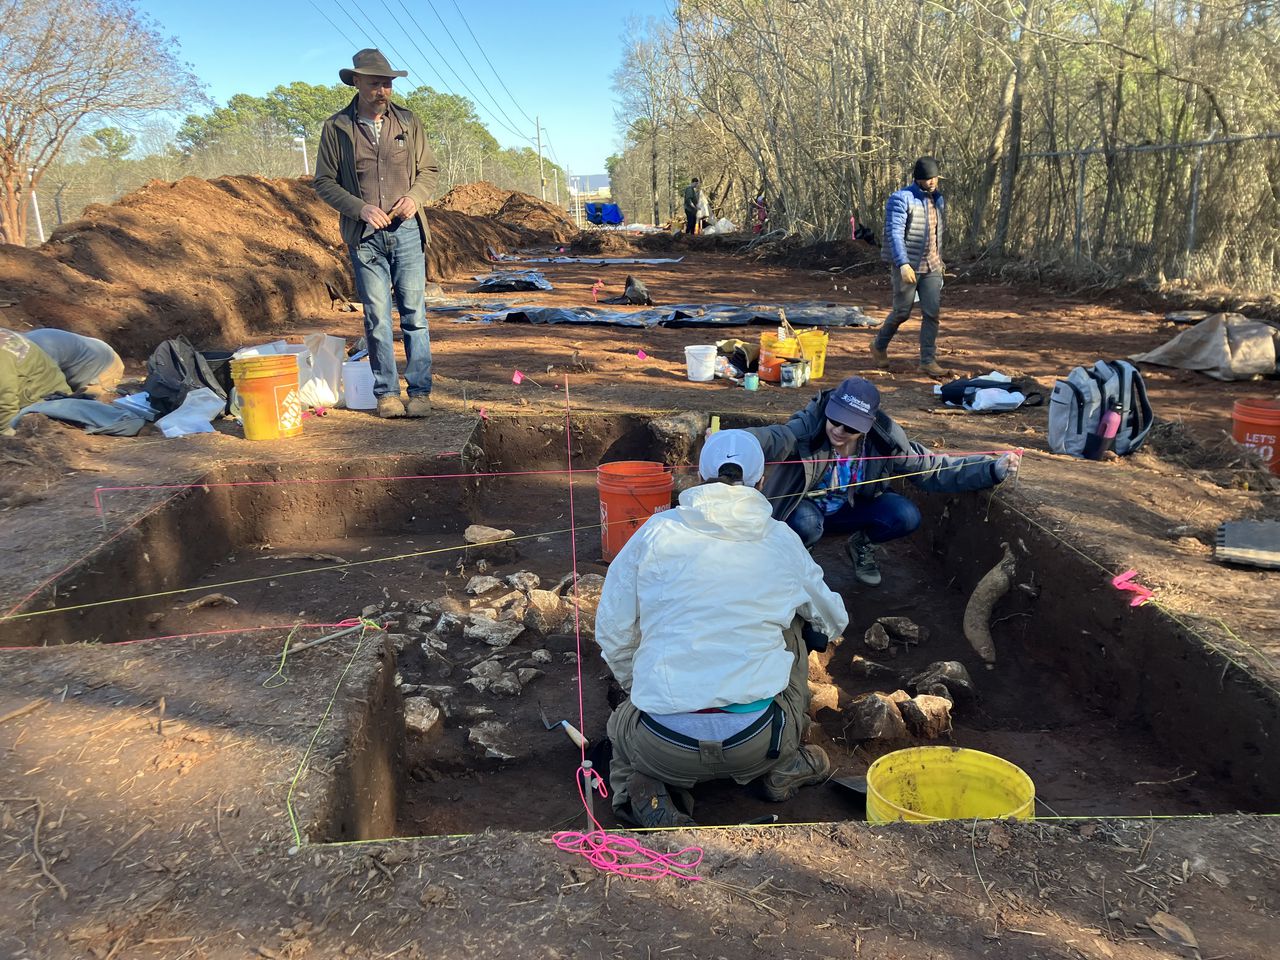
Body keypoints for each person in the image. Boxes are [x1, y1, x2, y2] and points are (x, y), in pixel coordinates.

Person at [595, 430, 849, 828]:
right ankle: (784, 767)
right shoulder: (782, 540)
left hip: (664, 745)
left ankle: (644, 795)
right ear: (761, 482)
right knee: (797, 622)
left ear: (699, 477)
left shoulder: (655, 533)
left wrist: (637, 686)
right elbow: (833, 619)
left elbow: (612, 630)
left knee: (621, 731)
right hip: (758, 742)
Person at [744, 376, 1021, 587]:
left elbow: (932, 468)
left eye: (851, 426)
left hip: (850, 508)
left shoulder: (885, 440)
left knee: (905, 515)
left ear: (867, 425)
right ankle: (798, 559)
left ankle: (860, 545)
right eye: (835, 420)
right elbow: (774, 437)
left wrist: (991, 468)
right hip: (802, 511)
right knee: (805, 524)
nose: (839, 431)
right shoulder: (808, 426)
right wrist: (736, 443)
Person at [314, 48, 440, 419]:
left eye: (387, 83)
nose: (383, 91)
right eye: (375, 83)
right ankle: (386, 393)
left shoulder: (408, 122)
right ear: (356, 82)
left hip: (407, 234)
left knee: (415, 314)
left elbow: (429, 170)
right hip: (365, 238)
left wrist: (415, 198)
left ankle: (420, 392)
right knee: (377, 317)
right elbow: (323, 181)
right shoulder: (337, 128)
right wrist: (360, 208)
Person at [872, 156, 948, 377]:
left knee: (932, 313)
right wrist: (903, 264)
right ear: (918, 179)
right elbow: (894, 233)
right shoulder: (901, 198)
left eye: (934, 178)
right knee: (902, 312)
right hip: (907, 265)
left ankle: (927, 360)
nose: (932, 182)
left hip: (932, 265)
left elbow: (936, 233)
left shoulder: (938, 199)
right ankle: (878, 345)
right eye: (927, 179)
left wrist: (940, 259)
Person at [1, 328, 71, 434]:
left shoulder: (2, 355)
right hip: (35, 394)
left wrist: (5, 431)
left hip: (45, 405)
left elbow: (5, 396)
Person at [24, 329, 124, 400]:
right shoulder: (18, 344)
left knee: (85, 409)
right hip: (84, 358)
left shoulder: (43, 354)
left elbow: (43, 389)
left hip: (104, 366)